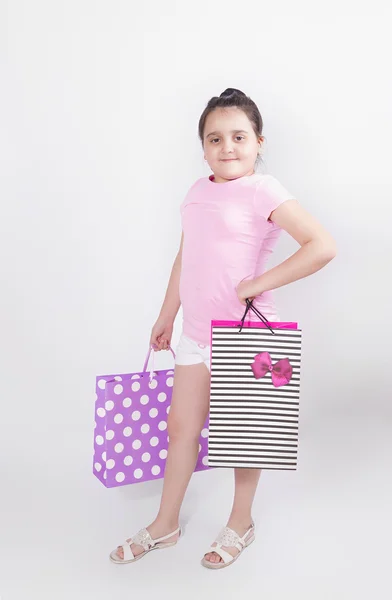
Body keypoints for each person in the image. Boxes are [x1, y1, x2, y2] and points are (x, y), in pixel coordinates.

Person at [110, 88, 337, 569]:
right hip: (194, 331)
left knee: (244, 434)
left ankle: (240, 523)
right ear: (203, 147)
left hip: (244, 332)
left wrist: (259, 281)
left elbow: (322, 245)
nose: (227, 146)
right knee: (181, 430)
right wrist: (166, 313)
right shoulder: (196, 192)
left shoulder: (265, 189)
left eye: (238, 136)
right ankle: (165, 524)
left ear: (258, 141)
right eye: (215, 138)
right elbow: (185, 257)